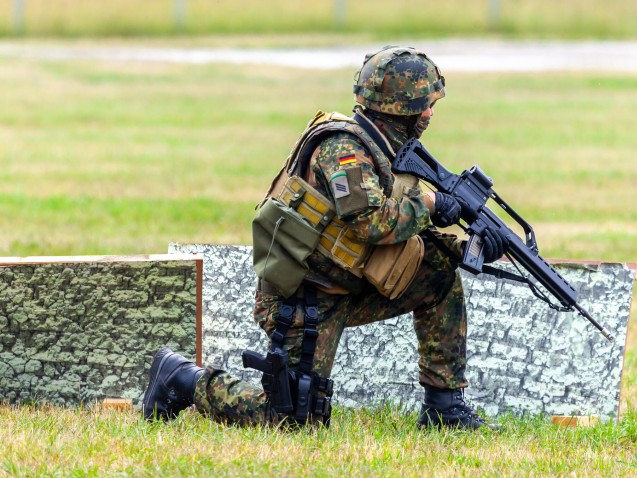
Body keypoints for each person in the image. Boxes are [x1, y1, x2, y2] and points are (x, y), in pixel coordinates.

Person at [143, 45, 508, 429]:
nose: (430, 113)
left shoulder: (385, 150)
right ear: (399, 108)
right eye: (425, 104)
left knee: (438, 271)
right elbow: (370, 222)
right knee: (290, 421)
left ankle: (444, 409)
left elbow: (396, 235)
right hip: (304, 299)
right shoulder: (343, 150)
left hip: (346, 283)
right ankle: (182, 378)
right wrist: (431, 202)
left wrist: (463, 248)